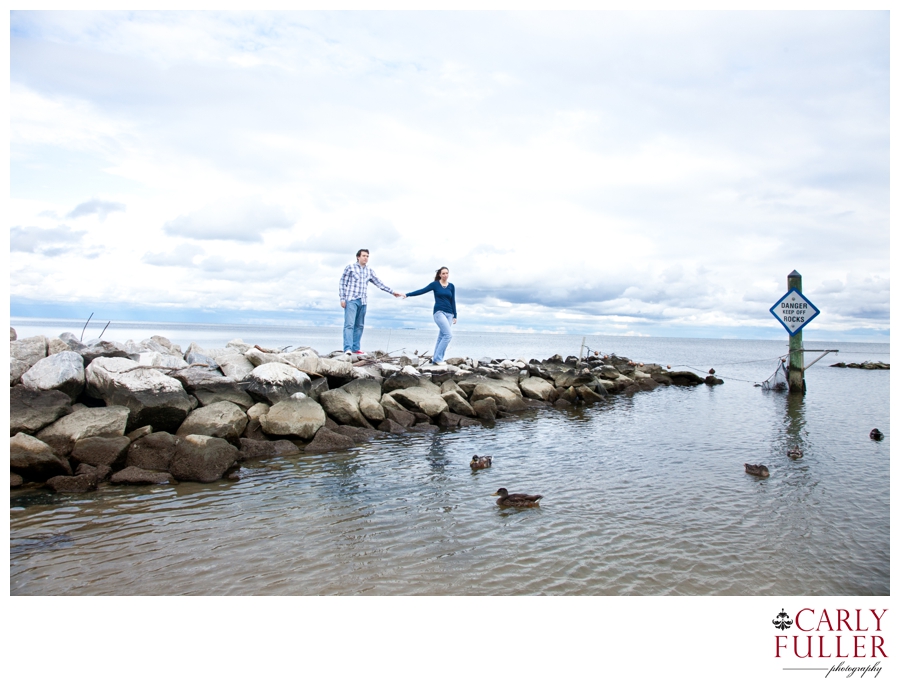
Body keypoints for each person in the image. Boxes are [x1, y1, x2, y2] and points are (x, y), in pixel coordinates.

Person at [339, 249, 403, 354]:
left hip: (363, 301)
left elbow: (379, 283)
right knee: (349, 325)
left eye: (367, 256)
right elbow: (342, 283)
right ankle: (348, 349)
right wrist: (342, 298)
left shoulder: (369, 270)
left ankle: (355, 348)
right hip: (351, 299)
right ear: (358, 257)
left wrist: (392, 292)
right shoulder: (350, 268)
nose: (366, 258)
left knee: (359, 325)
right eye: (364, 256)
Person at [405, 266, 457, 365]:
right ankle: (438, 358)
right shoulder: (435, 284)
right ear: (439, 275)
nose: (445, 275)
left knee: (442, 336)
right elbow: (422, 290)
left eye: (447, 273)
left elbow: (453, 300)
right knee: (448, 335)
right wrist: (407, 294)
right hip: (439, 312)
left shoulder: (451, 286)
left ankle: (435, 359)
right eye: (443, 273)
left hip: (449, 314)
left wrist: (455, 315)